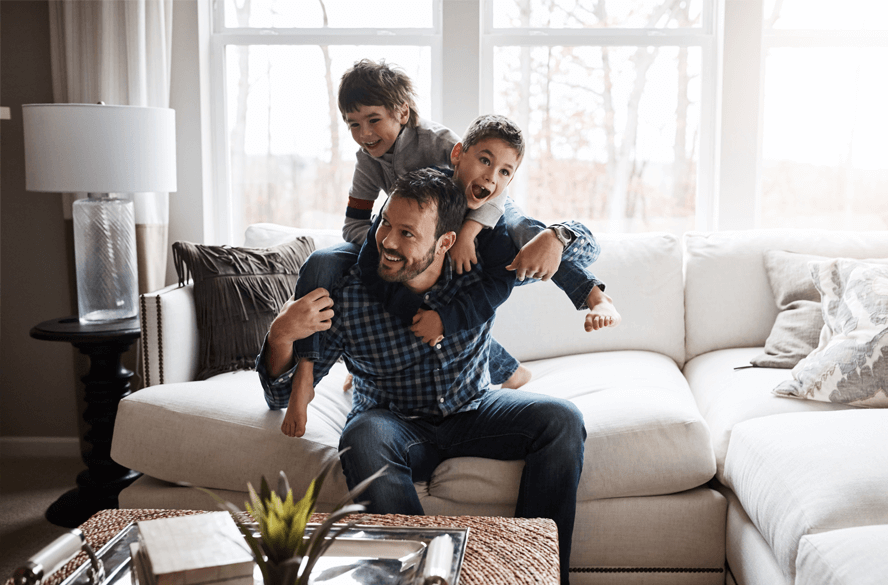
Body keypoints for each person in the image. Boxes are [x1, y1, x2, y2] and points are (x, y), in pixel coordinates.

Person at [257, 168, 585, 584]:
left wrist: (558, 237)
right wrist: (281, 334)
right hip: (392, 421)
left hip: (475, 408)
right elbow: (279, 396)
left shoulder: (479, 270)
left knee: (562, 418)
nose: (388, 242)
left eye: (408, 234)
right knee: (363, 437)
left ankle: (535, 574)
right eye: (385, 225)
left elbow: (585, 251)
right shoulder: (349, 293)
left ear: (446, 241)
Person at [292, 59, 619, 388]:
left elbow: (486, 182)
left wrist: (468, 232)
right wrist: (391, 241)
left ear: (402, 113)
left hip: (484, 212)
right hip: (430, 246)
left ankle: (592, 294)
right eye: (353, 125)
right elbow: (353, 226)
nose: (364, 134)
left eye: (373, 120)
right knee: (332, 265)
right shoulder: (367, 162)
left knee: (525, 233)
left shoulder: (437, 142)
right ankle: (503, 371)